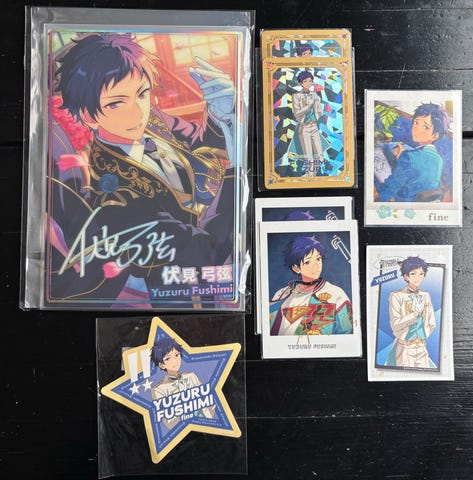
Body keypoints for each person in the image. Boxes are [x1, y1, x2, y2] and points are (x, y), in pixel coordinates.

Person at [48, 33, 237, 305]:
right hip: (180, 291)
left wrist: (220, 116)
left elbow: (197, 142)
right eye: (115, 103)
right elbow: (205, 250)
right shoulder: (113, 197)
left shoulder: (152, 120)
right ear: (88, 116)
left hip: (221, 259)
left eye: (142, 93)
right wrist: (235, 170)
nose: (137, 113)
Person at [269, 236, 353, 336]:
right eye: (308, 262)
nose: (316, 265)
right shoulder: (281, 294)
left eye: (318, 259)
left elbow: (348, 332)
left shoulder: (336, 294)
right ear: (296, 268)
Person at [375, 103, 450, 202]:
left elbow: (387, 191)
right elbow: (417, 172)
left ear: (435, 135)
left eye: (425, 127)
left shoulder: (408, 157)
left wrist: (403, 158)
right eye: (416, 123)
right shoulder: (439, 159)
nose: (416, 128)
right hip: (424, 201)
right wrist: (402, 157)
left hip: (404, 202)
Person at [150, 338, 215, 430]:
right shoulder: (158, 390)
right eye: (168, 358)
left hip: (207, 426)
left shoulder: (191, 376)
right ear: (162, 365)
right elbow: (169, 422)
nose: (174, 361)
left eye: (176, 355)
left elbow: (209, 401)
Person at [385, 256, 437, 369]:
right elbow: (395, 324)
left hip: (422, 347)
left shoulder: (426, 295)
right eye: (413, 274)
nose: (418, 277)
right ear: (406, 276)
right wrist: (414, 315)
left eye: (421, 274)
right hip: (405, 348)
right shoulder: (396, 296)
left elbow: (432, 322)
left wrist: (424, 335)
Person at [291, 71, 331, 177]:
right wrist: (308, 106)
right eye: (305, 81)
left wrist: (318, 116)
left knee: (319, 154)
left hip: (314, 126)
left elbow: (319, 111)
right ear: (301, 83)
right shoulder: (296, 96)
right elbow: (297, 113)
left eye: (310, 81)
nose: (308, 83)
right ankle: (309, 174)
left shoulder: (314, 95)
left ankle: (315, 173)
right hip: (304, 128)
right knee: (308, 154)